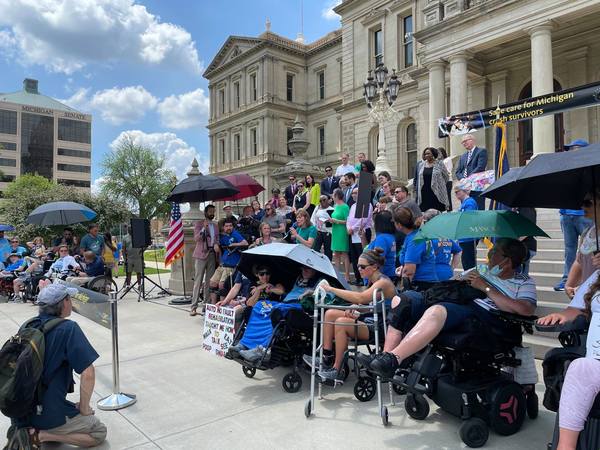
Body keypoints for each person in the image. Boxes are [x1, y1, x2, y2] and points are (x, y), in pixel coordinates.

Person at [368, 238, 536, 378]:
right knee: (403, 299)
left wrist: (485, 287)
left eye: (494, 251)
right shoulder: (481, 269)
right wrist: (461, 280)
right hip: (457, 300)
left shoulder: (523, 282)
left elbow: (525, 310)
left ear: (507, 261)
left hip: (482, 315)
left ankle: (394, 359)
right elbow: (450, 283)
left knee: (437, 311)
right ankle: (384, 360)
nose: (489, 253)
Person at [25, 283, 107, 447]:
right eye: (69, 298)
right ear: (62, 304)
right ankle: (42, 435)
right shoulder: (68, 328)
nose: (71, 302)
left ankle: (30, 428)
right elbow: (88, 372)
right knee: (99, 432)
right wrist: (84, 407)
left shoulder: (29, 324)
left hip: (21, 408)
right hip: (46, 410)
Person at [314, 248, 397, 383]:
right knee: (330, 314)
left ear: (375, 267)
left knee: (341, 322)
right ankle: (327, 356)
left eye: (362, 266)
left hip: (384, 326)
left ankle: (337, 369)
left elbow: (361, 297)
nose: (359, 269)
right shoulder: (372, 280)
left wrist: (331, 289)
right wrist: (358, 309)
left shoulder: (383, 282)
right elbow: (368, 304)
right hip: (373, 319)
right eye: (358, 266)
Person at [537, 269, 599, 450]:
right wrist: (562, 316)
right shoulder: (597, 276)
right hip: (595, 362)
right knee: (579, 368)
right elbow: (574, 310)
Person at [555, 140, 593, 291]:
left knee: (587, 249)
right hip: (567, 215)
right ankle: (566, 279)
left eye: (575, 149)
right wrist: (562, 213)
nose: (571, 151)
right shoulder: (565, 169)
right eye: (570, 149)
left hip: (584, 214)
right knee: (569, 249)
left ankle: (588, 279)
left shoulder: (589, 170)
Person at [565, 190, 600, 298]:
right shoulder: (587, 232)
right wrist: (569, 284)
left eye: (587, 203)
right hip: (588, 296)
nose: (582, 207)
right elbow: (579, 260)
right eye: (581, 203)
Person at [394, 207, 438, 291]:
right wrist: (403, 266)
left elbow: (410, 271)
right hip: (426, 281)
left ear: (399, 225)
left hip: (422, 284)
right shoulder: (416, 234)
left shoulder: (414, 239)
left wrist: (405, 290)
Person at [209, 218, 248, 303]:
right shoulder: (221, 236)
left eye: (230, 226)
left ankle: (223, 305)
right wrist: (215, 244)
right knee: (212, 283)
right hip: (222, 264)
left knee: (221, 285)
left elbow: (245, 243)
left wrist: (235, 244)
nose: (229, 228)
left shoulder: (235, 234)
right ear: (223, 227)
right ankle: (213, 305)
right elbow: (216, 242)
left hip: (231, 266)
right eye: (226, 226)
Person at [191, 204, 219, 317]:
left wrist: (217, 244)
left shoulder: (216, 225)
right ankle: (193, 307)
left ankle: (206, 305)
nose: (212, 213)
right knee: (198, 281)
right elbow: (196, 238)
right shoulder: (199, 223)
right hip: (201, 255)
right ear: (206, 212)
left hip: (212, 254)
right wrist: (203, 228)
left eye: (213, 211)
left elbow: (217, 239)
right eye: (210, 211)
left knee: (209, 282)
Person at [422, 209, 462, 281]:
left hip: (431, 274)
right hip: (447, 273)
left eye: (425, 222)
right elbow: (458, 251)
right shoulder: (446, 237)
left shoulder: (427, 237)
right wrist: (451, 268)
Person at [455, 133, 488, 210]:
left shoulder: (481, 151)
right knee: (467, 209)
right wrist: (462, 179)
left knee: (478, 208)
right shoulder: (463, 156)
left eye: (465, 141)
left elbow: (480, 167)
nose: (464, 143)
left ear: (472, 140)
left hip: (476, 186)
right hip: (465, 189)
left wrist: (468, 179)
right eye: (462, 142)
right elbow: (458, 171)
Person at [347, 187, 373, 284]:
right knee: (354, 257)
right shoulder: (353, 206)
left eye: (356, 193)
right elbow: (349, 218)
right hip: (352, 234)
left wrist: (353, 228)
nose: (354, 195)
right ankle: (357, 278)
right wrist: (348, 228)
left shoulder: (367, 204)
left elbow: (364, 219)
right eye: (353, 193)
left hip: (362, 232)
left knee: (362, 256)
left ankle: (364, 279)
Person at [413, 147, 449, 212]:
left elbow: (446, 177)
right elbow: (418, 178)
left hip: (436, 192)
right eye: (425, 154)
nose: (426, 155)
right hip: (424, 193)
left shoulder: (439, 163)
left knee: (438, 212)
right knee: (426, 214)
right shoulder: (421, 165)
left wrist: (440, 185)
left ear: (433, 154)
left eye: (428, 153)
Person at [455, 183, 479, 270]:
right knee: (466, 262)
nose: (456, 193)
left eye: (458, 191)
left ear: (464, 191)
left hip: (469, 237)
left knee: (468, 263)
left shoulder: (470, 202)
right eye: (455, 192)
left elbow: (468, 219)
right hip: (465, 237)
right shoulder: (465, 203)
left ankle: (471, 282)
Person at [367, 211, 397, 279]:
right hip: (390, 274)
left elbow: (378, 260)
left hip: (382, 276)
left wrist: (372, 280)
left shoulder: (382, 239)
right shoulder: (391, 236)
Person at [330, 188, 351, 281]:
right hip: (335, 231)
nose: (332, 196)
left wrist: (336, 221)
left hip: (342, 231)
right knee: (336, 254)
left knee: (344, 253)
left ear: (337, 196)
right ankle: (337, 275)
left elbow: (348, 221)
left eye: (333, 194)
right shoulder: (335, 206)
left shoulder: (345, 207)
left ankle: (347, 275)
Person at [311, 195, 334, 260]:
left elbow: (332, 222)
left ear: (328, 200)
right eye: (320, 201)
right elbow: (313, 218)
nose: (322, 202)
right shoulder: (317, 208)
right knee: (315, 249)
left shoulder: (331, 209)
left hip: (328, 233)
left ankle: (328, 265)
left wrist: (325, 221)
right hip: (318, 231)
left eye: (324, 200)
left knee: (328, 251)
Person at [438, 147, 454, 211]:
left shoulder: (447, 159)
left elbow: (449, 170)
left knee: (447, 197)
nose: (438, 154)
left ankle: (449, 211)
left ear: (443, 153)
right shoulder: (438, 162)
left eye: (439, 152)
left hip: (447, 181)